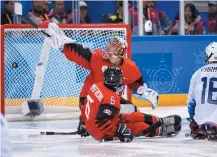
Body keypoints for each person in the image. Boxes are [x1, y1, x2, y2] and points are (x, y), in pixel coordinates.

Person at [46, 23, 178, 137]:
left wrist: (143, 90)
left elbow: (135, 82)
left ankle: (157, 121)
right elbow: (79, 53)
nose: (108, 49)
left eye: (112, 48)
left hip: (111, 102)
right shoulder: (97, 57)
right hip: (91, 100)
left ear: (120, 52)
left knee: (131, 110)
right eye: (109, 46)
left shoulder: (130, 67)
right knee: (118, 125)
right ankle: (157, 129)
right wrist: (63, 47)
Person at [81, 67, 182, 142]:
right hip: (102, 131)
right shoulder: (111, 99)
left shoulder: (97, 86)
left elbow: (87, 104)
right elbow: (101, 120)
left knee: (132, 116)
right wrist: (118, 131)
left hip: (94, 124)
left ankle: (158, 120)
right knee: (136, 127)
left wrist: (84, 123)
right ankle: (160, 129)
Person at [187, 42, 217, 140]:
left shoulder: (197, 73)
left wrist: (194, 120)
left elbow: (191, 103)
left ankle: (201, 127)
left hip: (200, 121)